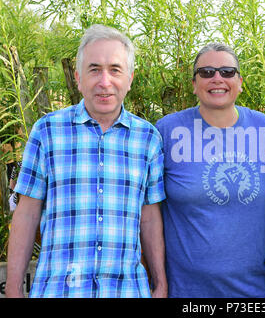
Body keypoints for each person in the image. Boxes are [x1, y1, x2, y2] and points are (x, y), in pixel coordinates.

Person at [6, 24, 167, 298]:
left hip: (127, 290)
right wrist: (12, 289)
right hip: (57, 291)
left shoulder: (148, 138)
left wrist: (160, 284)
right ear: (79, 78)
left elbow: (150, 218)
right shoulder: (47, 132)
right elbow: (26, 213)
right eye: (94, 69)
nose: (105, 81)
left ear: (130, 78)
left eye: (115, 69)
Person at [156, 43, 265, 297]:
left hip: (252, 292)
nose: (217, 78)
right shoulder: (167, 131)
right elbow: (148, 210)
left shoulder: (263, 128)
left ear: (240, 82)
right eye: (206, 72)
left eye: (227, 72)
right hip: (185, 292)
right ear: (194, 84)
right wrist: (158, 281)